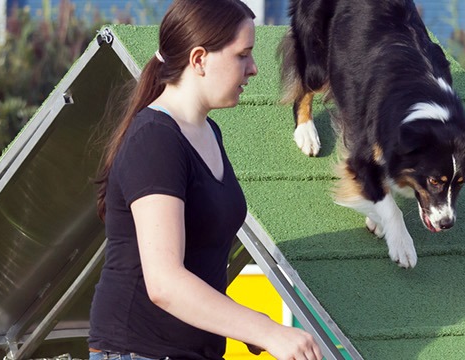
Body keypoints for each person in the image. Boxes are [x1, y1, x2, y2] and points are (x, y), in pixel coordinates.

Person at [90, 1, 322, 359]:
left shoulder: (208, 132)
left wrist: (246, 321)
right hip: (137, 351)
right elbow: (165, 283)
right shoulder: (155, 140)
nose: (254, 69)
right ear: (199, 59)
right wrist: (268, 330)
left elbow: (198, 265)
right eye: (242, 55)